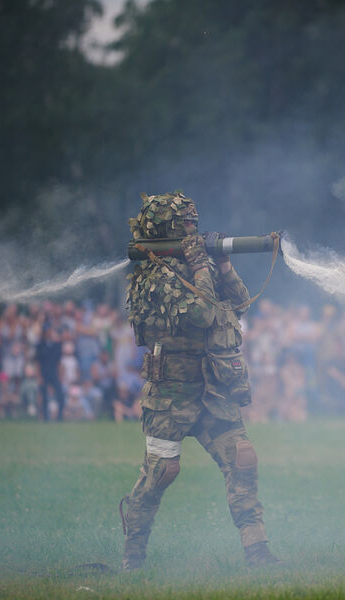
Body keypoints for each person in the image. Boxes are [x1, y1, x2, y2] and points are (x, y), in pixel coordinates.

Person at [118, 192, 281, 571]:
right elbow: (203, 314)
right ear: (166, 229)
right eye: (185, 225)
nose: (193, 230)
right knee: (160, 473)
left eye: (195, 223)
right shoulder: (151, 276)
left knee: (243, 460)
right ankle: (133, 557)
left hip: (213, 390)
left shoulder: (201, 263)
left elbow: (239, 302)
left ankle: (258, 553)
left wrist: (220, 263)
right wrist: (198, 266)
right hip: (170, 396)